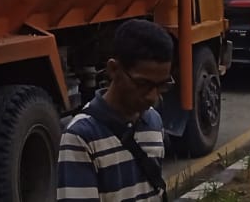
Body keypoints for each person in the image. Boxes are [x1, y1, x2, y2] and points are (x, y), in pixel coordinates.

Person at [56, 19, 173, 202]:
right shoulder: (80, 137)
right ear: (113, 69)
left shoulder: (154, 121)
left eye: (161, 85)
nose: (152, 96)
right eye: (143, 84)